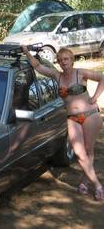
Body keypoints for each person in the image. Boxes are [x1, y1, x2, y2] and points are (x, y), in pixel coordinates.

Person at [21, 45, 104, 201]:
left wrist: (95, 98)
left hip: (90, 115)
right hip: (73, 118)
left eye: (66, 59)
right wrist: (26, 51)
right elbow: (38, 66)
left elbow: (102, 78)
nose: (63, 62)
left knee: (88, 150)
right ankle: (98, 185)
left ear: (71, 60)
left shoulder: (80, 73)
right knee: (79, 153)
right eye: (60, 60)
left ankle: (85, 182)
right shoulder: (56, 75)